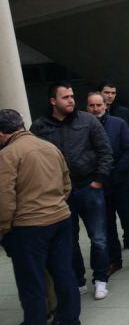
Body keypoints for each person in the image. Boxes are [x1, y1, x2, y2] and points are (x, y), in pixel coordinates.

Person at [31, 82, 114, 300]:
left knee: (98, 237)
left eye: (72, 96)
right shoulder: (40, 127)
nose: (71, 100)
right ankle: (78, 280)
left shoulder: (88, 121)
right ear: (52, 101)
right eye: (65, 97)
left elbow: (105, 150)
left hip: (89, 186)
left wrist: (99, 180)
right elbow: (35, 159)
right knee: (69, 239)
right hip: (60, 193)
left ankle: (101, 279)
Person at [0, 109, 81, 325]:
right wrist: (56, 203)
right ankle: (69, 319)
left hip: (28, 226)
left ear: (2, 133)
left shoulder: (7, 155)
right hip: (60, 218)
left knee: (31, 281)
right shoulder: (49, 147)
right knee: (64, 273)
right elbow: (66, 184)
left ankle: (35, 321)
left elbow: (4, 198)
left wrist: (4, 228)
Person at [84, 93, 129, 275]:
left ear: (105, 106)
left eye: (98, 105)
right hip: (98, 184)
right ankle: (114, 259)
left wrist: (115, 171)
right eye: (91, 105)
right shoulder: (83, 127)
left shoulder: (118, 123)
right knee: (106, 222)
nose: (95, 109)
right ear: (86, 107)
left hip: (121, 180)